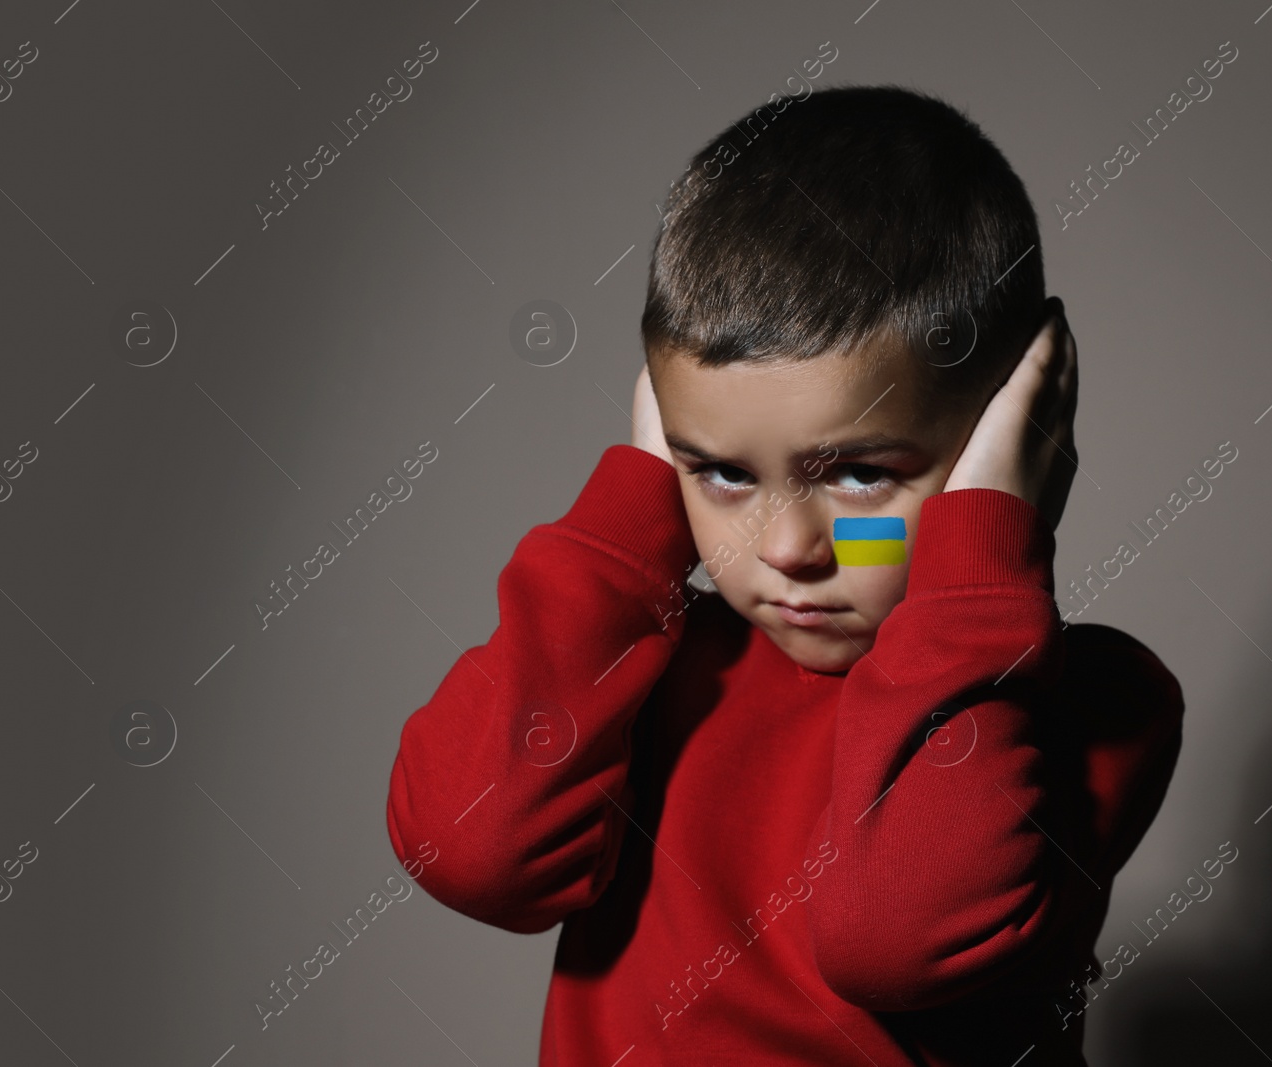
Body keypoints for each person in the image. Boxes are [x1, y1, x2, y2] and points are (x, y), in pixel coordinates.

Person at [385, 85, 1183, 1065]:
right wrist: (633, 520)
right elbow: (470, 854)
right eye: (721, 471)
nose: (787, 547)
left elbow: (891, 937)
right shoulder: (648, 668)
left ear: (1009, 435)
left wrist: (982, 556)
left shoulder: (1088, 706)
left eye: (858, 473)